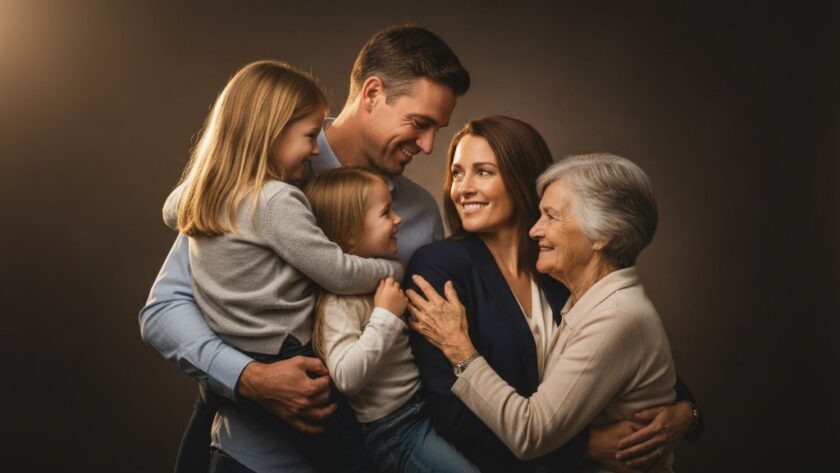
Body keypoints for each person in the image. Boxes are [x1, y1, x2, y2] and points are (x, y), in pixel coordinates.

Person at [140, 24, 470, 473]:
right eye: (420, 123)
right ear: (372, 93)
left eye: (438, 129)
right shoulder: (263, 169)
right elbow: (164, 310)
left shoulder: (419, 211)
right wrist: (251, 378)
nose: (430, 146)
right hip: (254, 456)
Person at [403, 116, 702, 473]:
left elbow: (622, 362)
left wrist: (689, 412)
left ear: (521, 179)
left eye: (483, 172)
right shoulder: (440, 266)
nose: (462, 188)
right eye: (457, 173)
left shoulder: (560, 270)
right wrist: (583, 448)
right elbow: (451, 416)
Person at [301, 167, 480, 473]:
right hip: (394, 430)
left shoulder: (380, 278)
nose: (398, 219)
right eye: (385, 213)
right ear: (349, 232)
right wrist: (385, 315)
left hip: (422, 409)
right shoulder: (339, 303)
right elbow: (346, 377)